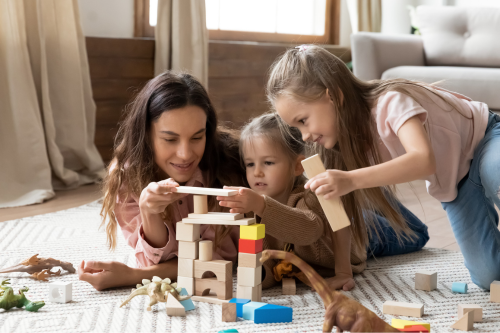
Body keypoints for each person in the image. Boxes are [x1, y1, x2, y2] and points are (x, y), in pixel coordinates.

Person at [266, 44, 499, 290]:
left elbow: (423, 160)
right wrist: (344, 271)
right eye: (297, 127)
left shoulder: (391, 102)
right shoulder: (339, 147)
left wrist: (351, 179)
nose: (304, 136)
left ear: (333, 95)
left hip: (486, 137)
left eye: (303, 121)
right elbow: (340, 211)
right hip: (457, 180)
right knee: (489, 278)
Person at [218, 113, 428, 291]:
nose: (257, 172)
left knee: (417, 234)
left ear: (298, 167)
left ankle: (370, 193)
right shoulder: (252, 207)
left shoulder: (309, 197)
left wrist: (343, 272)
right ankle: (358, 197)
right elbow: (266, 259)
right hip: (334, 221)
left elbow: (308, 230)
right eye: (250, 164)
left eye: (268, 162)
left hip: (358, 236)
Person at [78, 72, 245, 290]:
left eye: (197, 137)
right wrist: (149, 213)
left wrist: (133, 276)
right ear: (146, 134)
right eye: (170, 139)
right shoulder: (127, 178)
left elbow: (217, 259)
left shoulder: (230, 164)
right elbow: (154, 261)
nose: (185, 154)